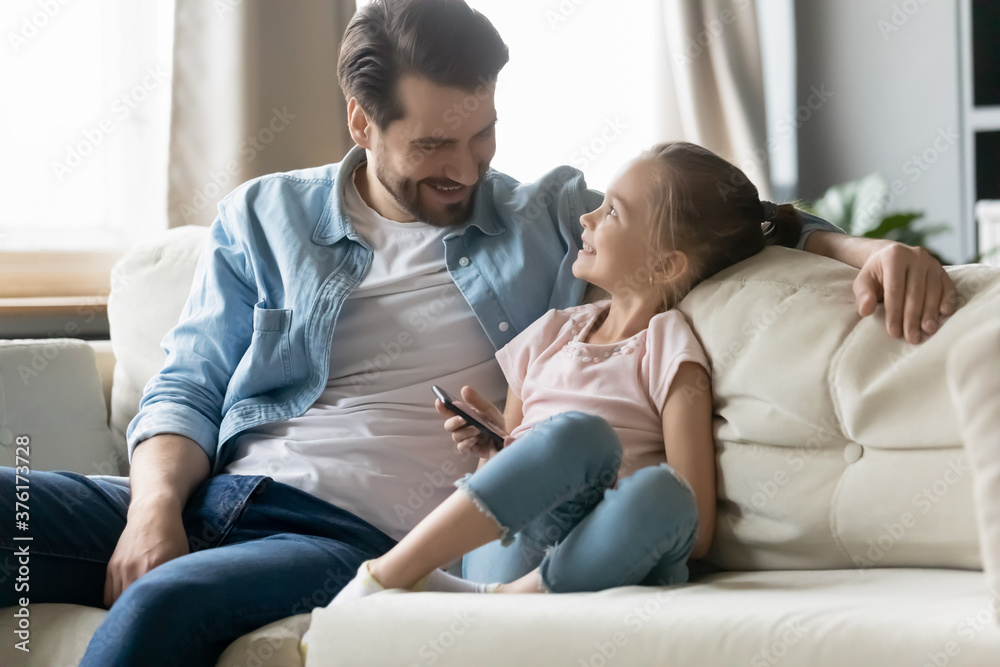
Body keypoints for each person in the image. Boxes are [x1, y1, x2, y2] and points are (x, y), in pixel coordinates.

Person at [0, 1, 956, 665]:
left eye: (484, 134)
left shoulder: (549, 218)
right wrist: (153, 508)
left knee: (170, 602)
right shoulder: (264, 216)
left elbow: (726, 214)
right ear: (361, 122)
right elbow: (190, 385)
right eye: (433, 146)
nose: (466, 168)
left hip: (352, 534)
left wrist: (859, 245)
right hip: (219, 496)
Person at [319, 142, 800, 617]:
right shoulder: (549, 332)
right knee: (576, 434)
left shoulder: (669, 347)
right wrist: (497, 449)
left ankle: (514, 602)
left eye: (613, 212)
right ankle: (388, 575)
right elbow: (511, 453)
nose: (588, 218)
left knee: (667, 494)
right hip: (507, 551)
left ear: (665, 264)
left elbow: (695, 532)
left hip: (609, 557)